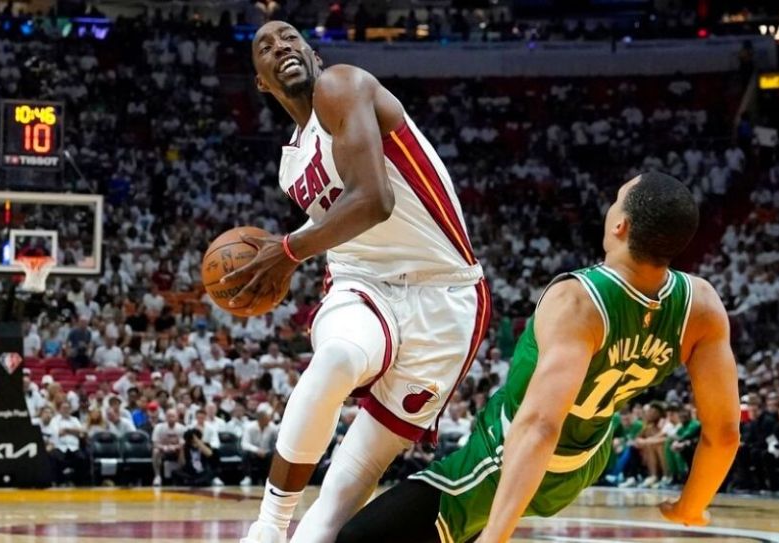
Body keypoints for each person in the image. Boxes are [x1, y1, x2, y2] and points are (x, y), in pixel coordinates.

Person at [338, 172, 740, 543]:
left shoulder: (580, 301)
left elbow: (540, 427)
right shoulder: (701, 305)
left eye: (618, 199)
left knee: (357, 540)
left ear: (621, 225)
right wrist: (690, 505)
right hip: (586, 457)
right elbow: (723, 433)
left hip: (504, 457)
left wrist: (496, 537)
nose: (612, 206)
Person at [235, 21, 489, 543]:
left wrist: (287, 250)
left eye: (289, 37)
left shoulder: (342, 83)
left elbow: (374, 199)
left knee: (335, 508)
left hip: (447, 295)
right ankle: (267, 526)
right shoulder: (290, 165)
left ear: (313, 53)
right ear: (261, 82)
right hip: (363, 280)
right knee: (338, 358)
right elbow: (338, 223)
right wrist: (285, 249)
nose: (281, 45)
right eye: (266, 46)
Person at [151, 408, 187, 486]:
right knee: (155, 451)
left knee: (183, 449)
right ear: (165, 417)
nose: (171, 418)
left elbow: (183, 443)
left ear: (177, 417)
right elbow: (155, 443)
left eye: (173, 416)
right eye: (169, 416)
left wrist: (175, 447)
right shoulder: (158, 427)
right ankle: (157, 476)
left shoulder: (182, 428)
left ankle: (181, 474)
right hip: (163, 450)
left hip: (177, 450)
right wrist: (164, 447)